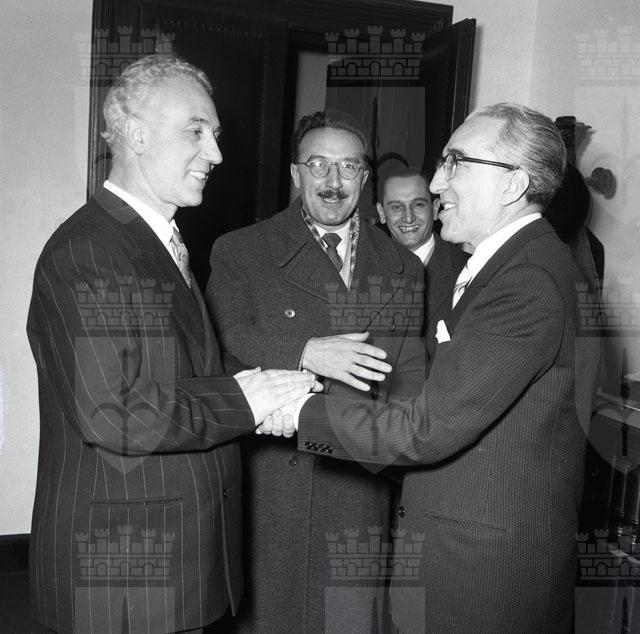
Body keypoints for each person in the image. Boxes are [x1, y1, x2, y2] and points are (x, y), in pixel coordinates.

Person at [271, 103, 592, 633]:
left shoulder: (526, 283)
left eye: (455, 163)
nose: (438, 182)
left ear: (513, 184)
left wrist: (295, 410)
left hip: (483, 583)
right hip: (457, 559)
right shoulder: (503, 267)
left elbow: (423, 431)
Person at [26, 54, 315, 634]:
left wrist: (274, 394)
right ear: (136, 135)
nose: (216, 153)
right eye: (196, 131)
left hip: (177, 563)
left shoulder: (153, 242)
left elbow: (188, 367)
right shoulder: (89, 252)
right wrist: (247, 401)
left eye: (215, 134)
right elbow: (115, 413)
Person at [206, 110, 425, 633]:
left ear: (364, 177)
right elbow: (225, 341)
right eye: (318, 165)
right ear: (295, 172)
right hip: (273, 485)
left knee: (348, 618)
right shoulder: (241, 251)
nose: (333, 181)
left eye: (348, 167)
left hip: (361, 483)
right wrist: (306, 351)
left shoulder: (404, 268)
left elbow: (407, 380)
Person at [376, 167, 468, 363]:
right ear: (381, 213)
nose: (408, 217)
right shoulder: (362, 270)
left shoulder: (470, 270)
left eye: (418, 205)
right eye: (396, 207)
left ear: (435, 209)